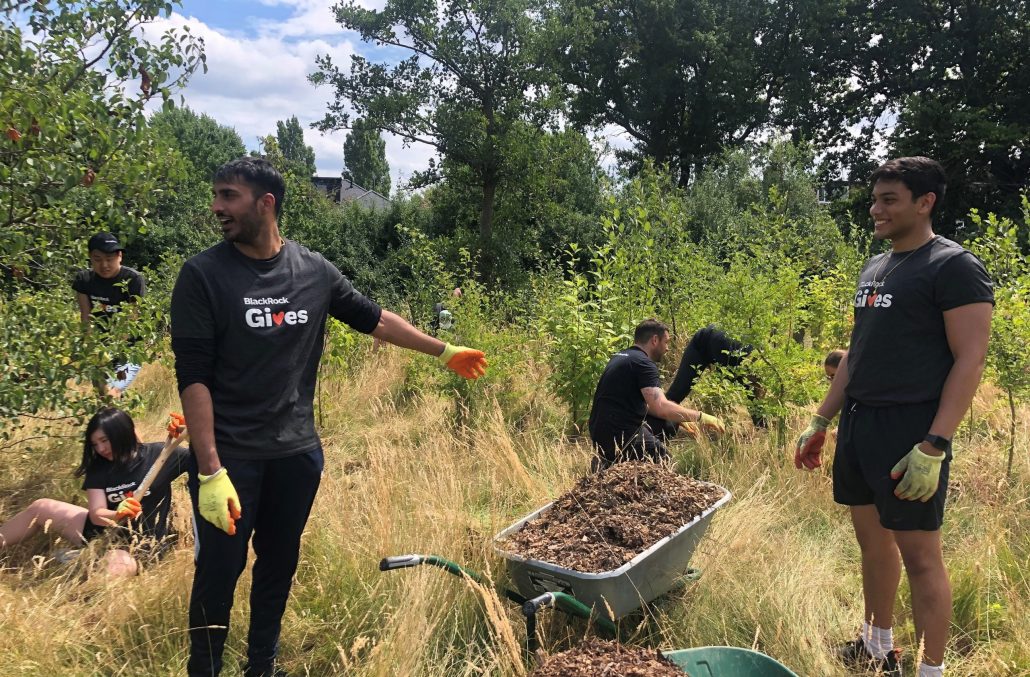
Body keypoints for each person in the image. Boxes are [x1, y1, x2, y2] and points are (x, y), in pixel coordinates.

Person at [170, 157, 488, 677]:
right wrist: (209, 469)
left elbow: (375, 318)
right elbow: (194, 377)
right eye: (217, 196)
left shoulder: (312, 270)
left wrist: (443, 349)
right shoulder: (203, 275)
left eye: (228, 196)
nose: (217, 207)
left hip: (296, 456)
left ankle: (262, 666)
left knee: (278, 568)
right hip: (231, 462)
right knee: (218, 575)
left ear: (265, 203)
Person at [793, 157, 993, 677]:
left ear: (925, 202)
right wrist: (821, 421)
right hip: (861, 424)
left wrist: (935, 443)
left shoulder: (953, 266)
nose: (875, 209)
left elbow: (970, 360)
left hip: (912, 430)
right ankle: (877, 645)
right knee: (872, 544)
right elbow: (856, 355)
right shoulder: (876, 268)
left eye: (889, 200)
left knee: (922, 557)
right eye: (875, 198)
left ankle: (930, 670)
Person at [0, 407, 189, 576]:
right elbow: (97, 513)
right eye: (95, 444)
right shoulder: (99, 467)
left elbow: (204, 457)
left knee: (116, 567)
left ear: (121, 433)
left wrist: (187, 432)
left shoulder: (160, 456)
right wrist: (117, 513)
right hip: (102, 531)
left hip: (140, 544)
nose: (100, 449)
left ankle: (82, 561)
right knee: (41, 507)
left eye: (104, 441)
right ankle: (84, 555)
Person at [587, 319, 725, 471]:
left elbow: (648, 405)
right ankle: (612, 468)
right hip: (620, 432)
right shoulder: (644, 364)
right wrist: (700, 416)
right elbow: (660, 406)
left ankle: (611, 462)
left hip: (600, 430)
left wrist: (680, 417)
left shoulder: (622, 356)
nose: (667, 349)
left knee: (669, 424)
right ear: (654, 340)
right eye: (666, 342)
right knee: (664, 463)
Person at [646, 324, 762, 437]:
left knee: (752, 390)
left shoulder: (755, 354)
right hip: (703, 342)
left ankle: (762, 427)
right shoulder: (739, 353)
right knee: (674, 396)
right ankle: (648, 428)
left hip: (720, 343)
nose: (667, 348)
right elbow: (753, 390)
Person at [72, 232, 147, 396]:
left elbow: (131, 321)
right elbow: (86, 316)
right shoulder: (84, 280)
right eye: (97, 259)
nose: (104, 265)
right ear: (90, 257)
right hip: (98, 352)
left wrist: (112, 352)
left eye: (109, 259)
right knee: (102, 396)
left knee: (112, 392)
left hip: (129, 353)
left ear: (119, 256)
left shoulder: (133, 280)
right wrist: (92, 351)